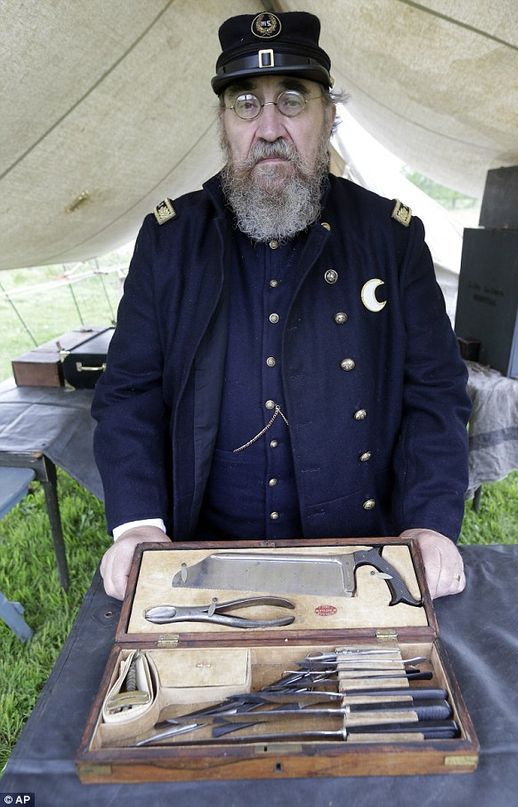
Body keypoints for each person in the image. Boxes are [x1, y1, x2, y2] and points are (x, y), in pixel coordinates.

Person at [92, 11, 471, 602]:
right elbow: (128, 392)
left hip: (361, 561)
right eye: (246, 103)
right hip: (203, 556)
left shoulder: (391, 238)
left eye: (292, 100)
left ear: (328, 117)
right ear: (224, 123)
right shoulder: (169, 240)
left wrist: (428, 523)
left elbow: (435, 393)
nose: (269, 127)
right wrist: (138, 524)